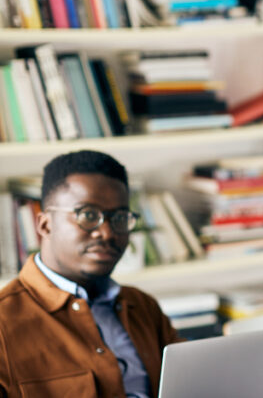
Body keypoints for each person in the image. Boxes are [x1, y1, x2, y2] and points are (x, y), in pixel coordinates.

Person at [0, 150, 180, 397]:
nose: (106, 232)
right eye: (88, 215)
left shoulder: (142, 306)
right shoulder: (3, 324)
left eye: (119, 218)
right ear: (44, 225)